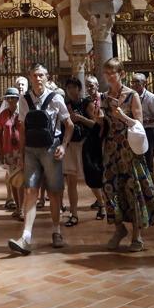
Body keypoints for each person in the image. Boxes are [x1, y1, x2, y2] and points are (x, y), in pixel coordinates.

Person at [8, 63, 74, 256]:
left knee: (54, 192)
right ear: (30, 77)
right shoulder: (24, 100)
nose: (37, 79)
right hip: (30, 150)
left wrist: (63, 146)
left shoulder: (56, 99)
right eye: (35, 75)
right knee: (30, 191)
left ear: (47, 77)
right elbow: (21, 128)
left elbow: (68, 125)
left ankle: (56, 231)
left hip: (51, 148)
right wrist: (21, 154)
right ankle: (26, 237)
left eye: (41, 75)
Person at [100, 59, 154, 251]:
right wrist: (99, 118)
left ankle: (137, 235)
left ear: (121, 74)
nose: (109, 76)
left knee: (132, 188)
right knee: (110, 188)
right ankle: (119, 229)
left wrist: (122, 116)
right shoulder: (104, 97)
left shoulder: (131, 95)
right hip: (111, 149)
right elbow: (103, 126)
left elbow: (139, 123)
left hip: (129, 150)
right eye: (106, 73)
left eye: (113, 72)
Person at [77, 75, 106, 219]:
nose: (89, 88)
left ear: (98, 85)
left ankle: (105, 202)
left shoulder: (105, 99)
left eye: (92, 85)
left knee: (105, 171)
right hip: (91, 141)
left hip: (106, 140)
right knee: (91, 171)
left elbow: (100, 122)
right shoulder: (85, 103)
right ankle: (102, 203)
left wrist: (82, 119)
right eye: (87, 86)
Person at [0, 83, 25, 218]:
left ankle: (22, 209)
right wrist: (0, 152)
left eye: (13, 98)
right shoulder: (3, 115)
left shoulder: (23, 113)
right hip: (8, 151)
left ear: (18, 99)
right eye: (9, 98)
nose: (11, 100)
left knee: (22, 180)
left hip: (21, 150)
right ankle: (18, 207)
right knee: (13, 180)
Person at [62, 77, 88, 227]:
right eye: (69, 88)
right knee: (71, 181)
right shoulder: (65, 105)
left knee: (90, 180)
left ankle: (102, 204)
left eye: (74, 87)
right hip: (71, 144)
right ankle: (74, 213)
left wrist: (79, 118)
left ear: (79, 88)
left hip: (84, 144)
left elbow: (95, 123)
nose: (71, 90)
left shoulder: (86, 103)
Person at [130, 73, 154, 175]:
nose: (134, 84)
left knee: (148, 159)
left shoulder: (150, 97)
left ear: (144, 83)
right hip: (134, 132)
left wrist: (147, 120)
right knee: (135, 160)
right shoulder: (131, 96)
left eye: (137, 82)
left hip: (147, 131)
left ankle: (150, 187)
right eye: (133, 82)